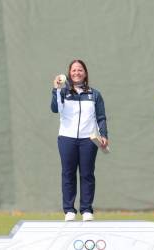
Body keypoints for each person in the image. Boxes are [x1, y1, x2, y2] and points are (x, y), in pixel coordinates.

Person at [51, 59, 108, 221]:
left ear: (85, 73)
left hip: (88, 140)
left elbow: (101, 117)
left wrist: (103, 135)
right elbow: (55, 109)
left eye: (80, 70)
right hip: (66, 138)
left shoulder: (94, 94)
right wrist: (56, 89)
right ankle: (69, 210)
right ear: (69, 74)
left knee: (87, 174)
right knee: (68, 173)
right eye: (74, 70)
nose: (77, 73)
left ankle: (86, 209)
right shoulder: (63, 92)